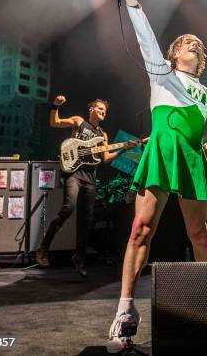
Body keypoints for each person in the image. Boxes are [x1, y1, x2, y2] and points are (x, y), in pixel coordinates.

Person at [107, 0, 207, 352]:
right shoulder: (161, 73)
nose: (192, 44)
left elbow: (199, 132)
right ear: (173, 53)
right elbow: (145, 36)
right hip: (161, 152)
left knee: (199, 234)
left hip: (190, 158)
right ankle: (125, 311)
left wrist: (205, 152)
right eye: (186, 41)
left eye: (197, 44)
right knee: (141, 230)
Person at [36, 96, 138, 277]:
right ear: (91, 109)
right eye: (100, 109)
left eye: (105, 111)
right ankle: (43, 249)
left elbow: (105, 158)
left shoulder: (103, 135)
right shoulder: (79, 121)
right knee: (68, 208)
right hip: (74, 173)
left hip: (90, 177)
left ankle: (79, 259)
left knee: (86, 220)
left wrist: (125, 149)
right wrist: (55, 106)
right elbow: (55, 122)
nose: (103, 113)